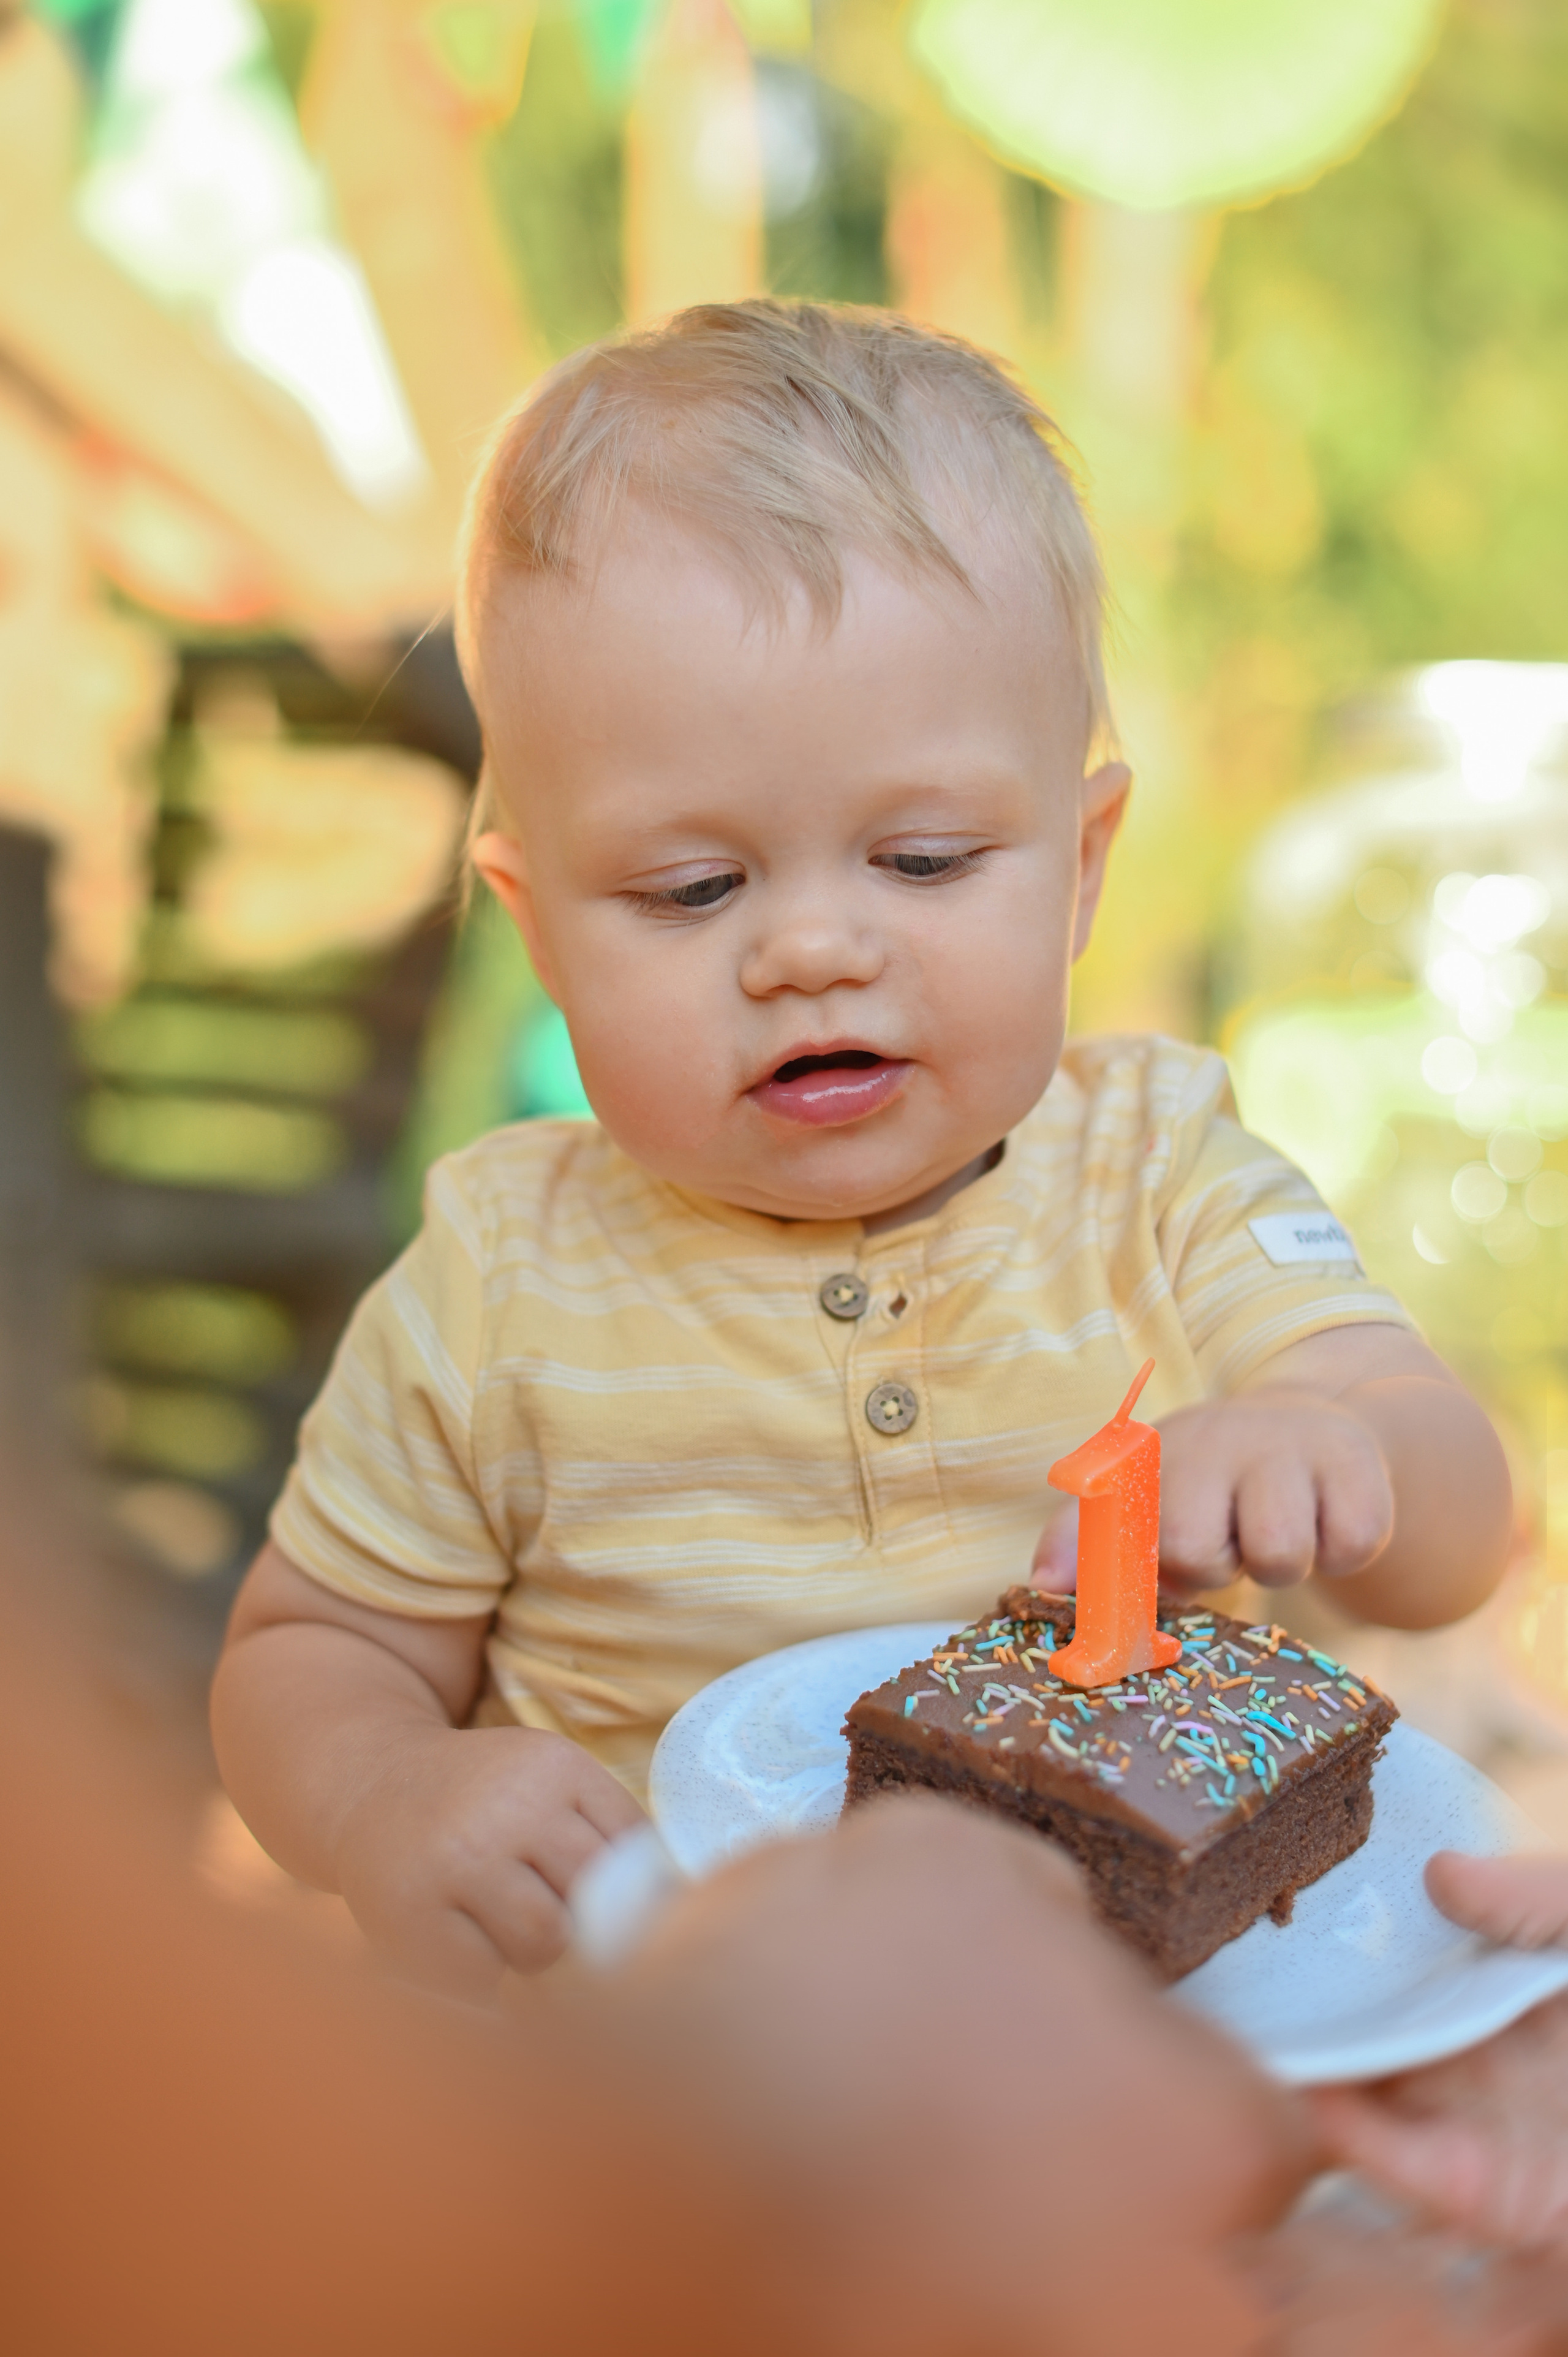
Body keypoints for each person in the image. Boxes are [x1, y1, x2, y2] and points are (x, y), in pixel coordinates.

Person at [211, 300, 1512, 1992]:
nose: (812, 952)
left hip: (1107, 2046)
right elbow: (310, 1651)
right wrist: (385, 1786)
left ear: (1084, 863)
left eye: (921, 861)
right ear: (535, 929)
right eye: (695, 890)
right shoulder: (498, 1278)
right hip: (639, 2078)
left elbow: (1456, 1528)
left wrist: (1336, 1445)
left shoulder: (1160, 1172)